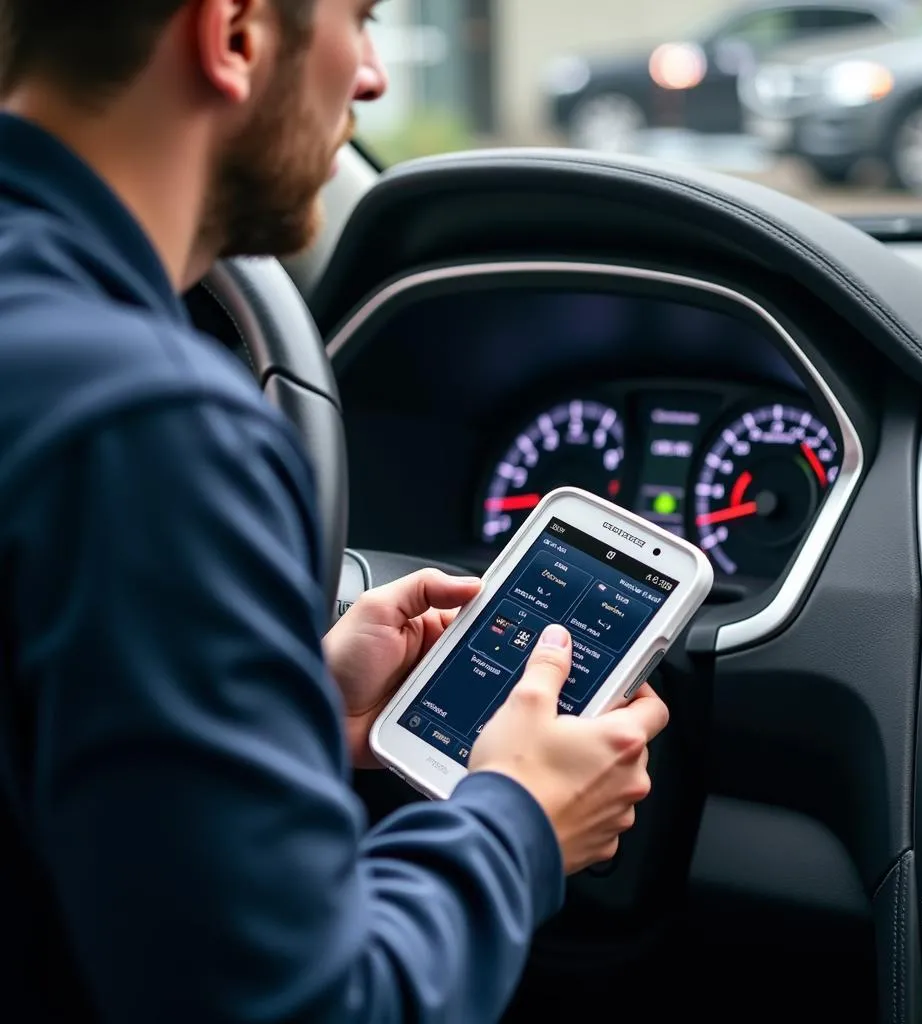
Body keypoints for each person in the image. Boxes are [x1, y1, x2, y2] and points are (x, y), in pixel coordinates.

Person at [0, 1, 670, 1021]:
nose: (371, 79)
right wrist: (521, 818)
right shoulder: (148, 426)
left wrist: (290, 704)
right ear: (233, 34)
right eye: (356, 21)